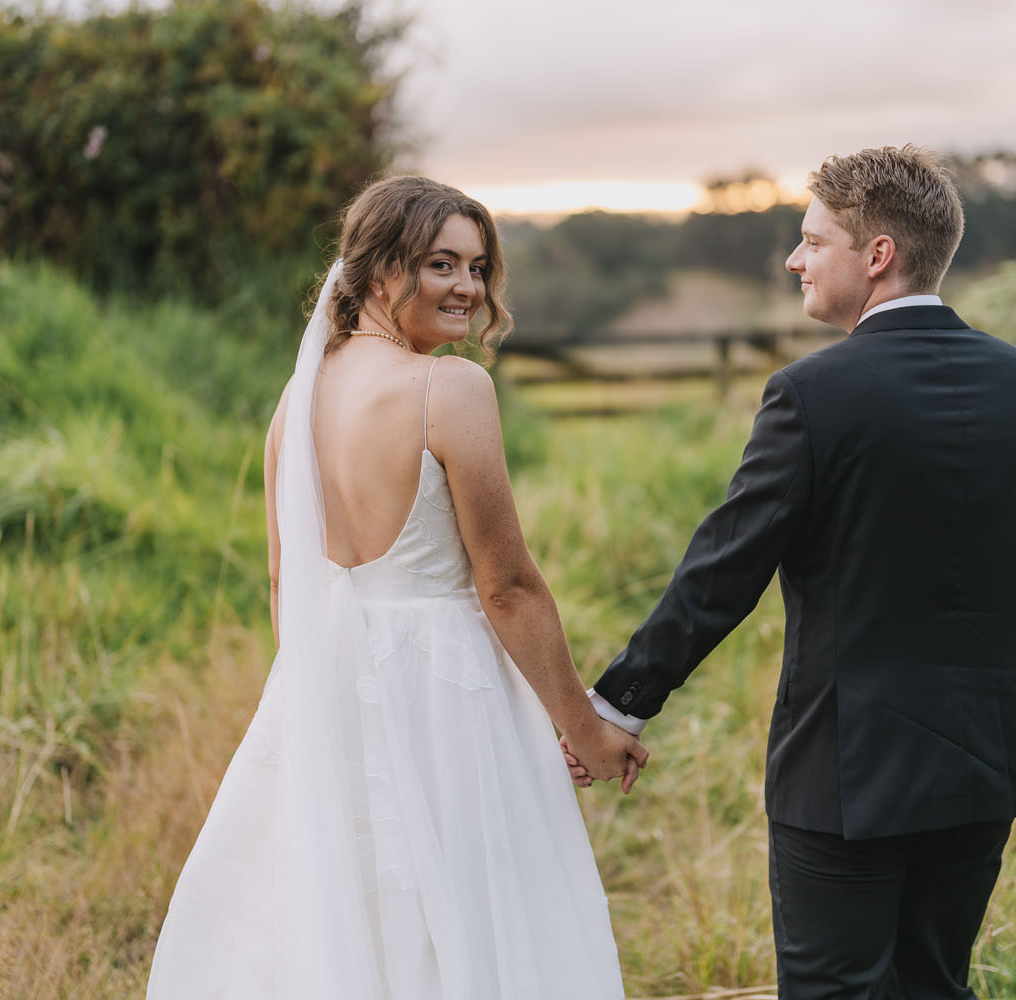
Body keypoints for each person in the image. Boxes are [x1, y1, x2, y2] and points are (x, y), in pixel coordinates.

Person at [575, 146, 1016, 998]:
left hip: (848, 768)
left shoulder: (812, 393)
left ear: (878, 254)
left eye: (812, 241)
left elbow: (723, 571)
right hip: (985, 761)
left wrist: (619, 703)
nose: (793, 260)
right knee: (934, 985)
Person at [146, 175, 647, 999]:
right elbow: (509, 586)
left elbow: (284, 579)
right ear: (380, 270)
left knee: (350, 916)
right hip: (448, 698)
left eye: (477, 267)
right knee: (470, 916)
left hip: (326, 687)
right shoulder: (450, 388)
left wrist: (321, 704)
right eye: (441, 264)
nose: (468, 288)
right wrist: (582, 727)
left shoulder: (297, 399)